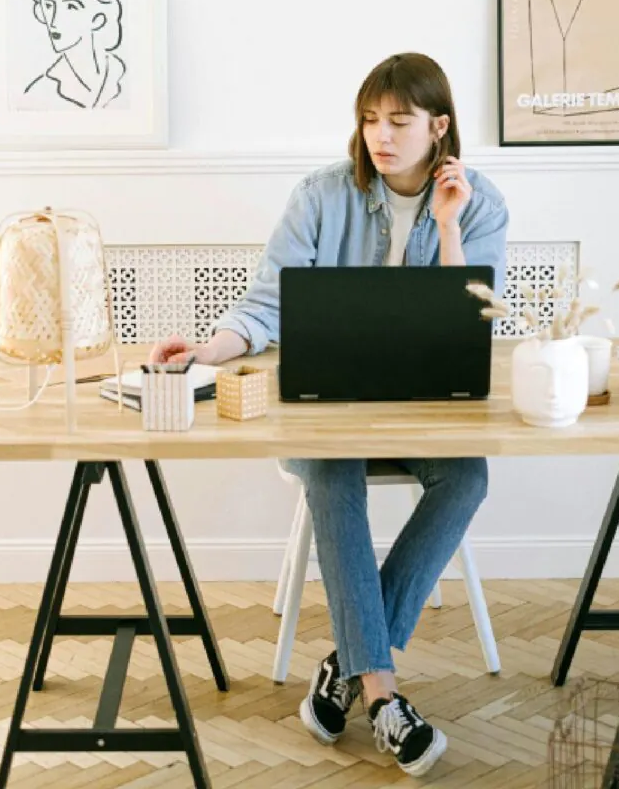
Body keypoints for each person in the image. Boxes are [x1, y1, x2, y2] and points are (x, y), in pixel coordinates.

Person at [149, 52, 509, 778]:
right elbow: (267, 303)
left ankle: (345, 663)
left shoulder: (481, 202)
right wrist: (208, 351)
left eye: (399, 121)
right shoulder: (320, 195)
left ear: (438, 127)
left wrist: (447, 227)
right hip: (328, 404)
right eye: (371, 119)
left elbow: (470, 323)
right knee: (330, 472)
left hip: (425, 410)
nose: (380, 135)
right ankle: (382, 694)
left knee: (467, 479)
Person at [22, 0, 126, 110]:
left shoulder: (125, 76)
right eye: (48, 6)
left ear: (97, 19)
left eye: (71, 6)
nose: (54, 21)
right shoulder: (39, 93)